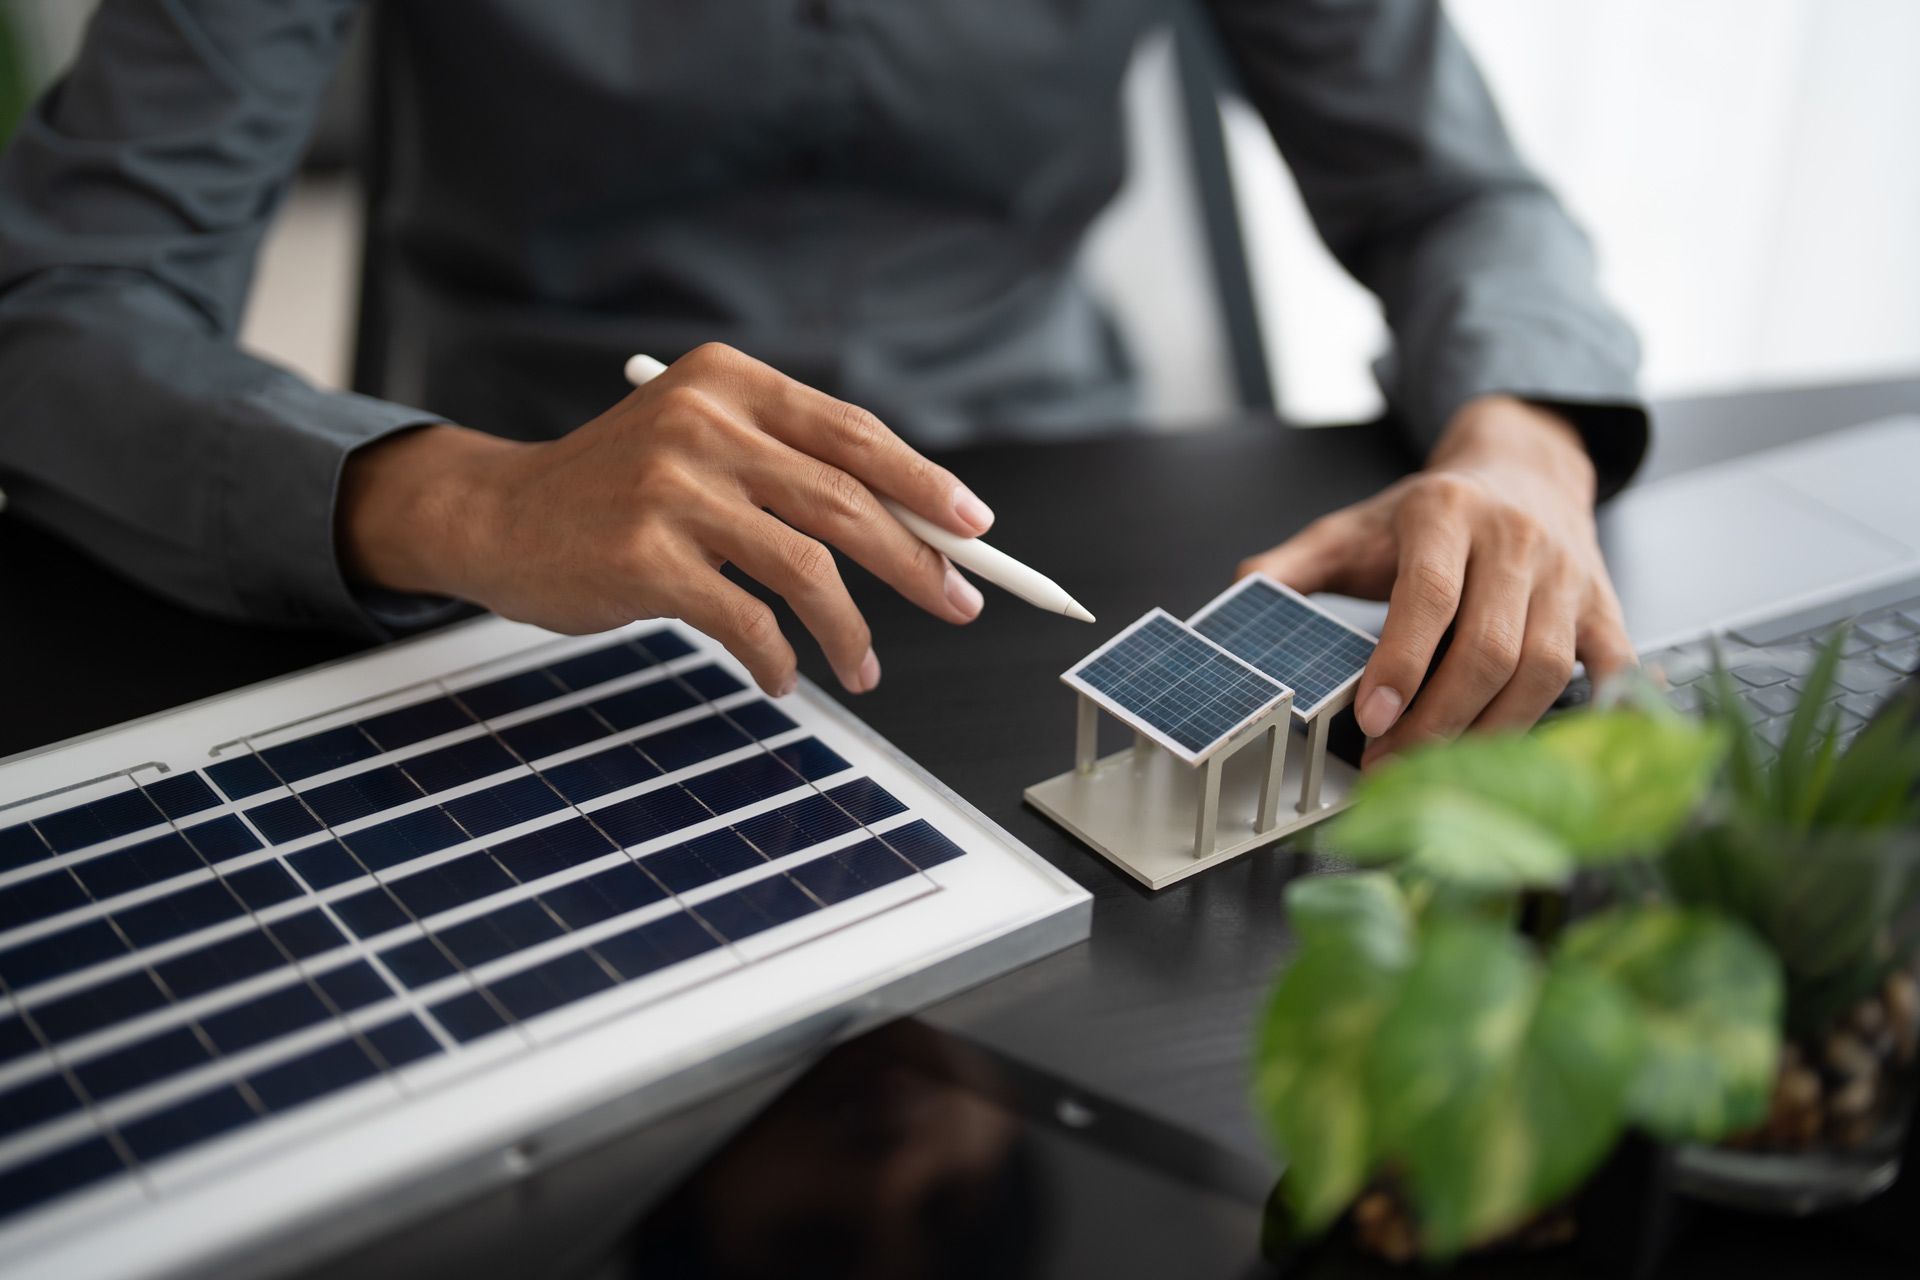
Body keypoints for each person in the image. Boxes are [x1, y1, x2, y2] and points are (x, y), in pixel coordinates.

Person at [0, 2, 1645, 763]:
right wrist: (471, 494)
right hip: (534, 574)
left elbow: (1458, 196)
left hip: (1033, 515)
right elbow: (60, 306)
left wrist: (1521, 445)